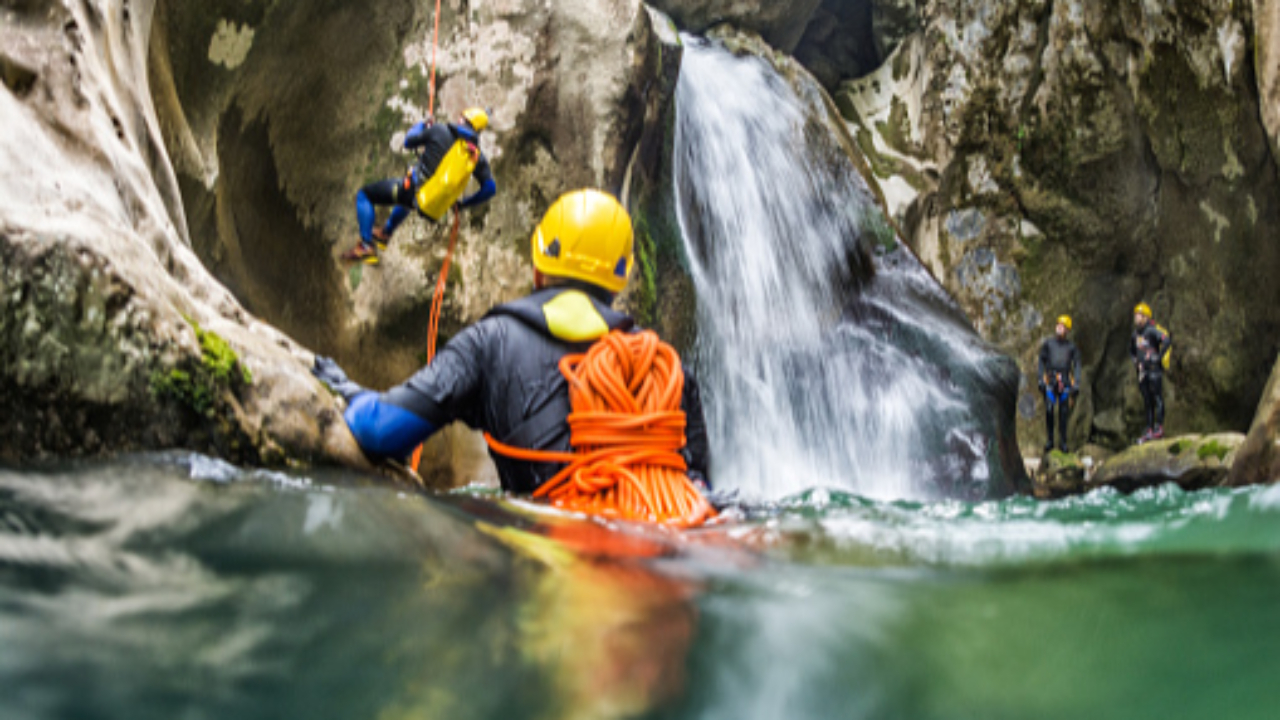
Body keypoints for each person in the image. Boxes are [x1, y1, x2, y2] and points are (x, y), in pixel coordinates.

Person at [315, 189, 711, 494]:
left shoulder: (490, 343)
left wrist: (348, 390)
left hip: (544, 557)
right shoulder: (666, 367)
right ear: (620, 279)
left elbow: (382, 431)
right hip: (660, 557)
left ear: (538, 266)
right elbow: (698, 489)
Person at [341, 107, 498, 264]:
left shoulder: (439, 130)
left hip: (412, 190)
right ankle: (385, 233)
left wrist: (423, 124)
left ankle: (366, 246)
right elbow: (490, 189)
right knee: (407, 201)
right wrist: (463, 205)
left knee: (365, 195)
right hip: (429, 202)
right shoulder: (475, 156)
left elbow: (408, 141)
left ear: (463, 120)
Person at [1038, 315, 1081, 453]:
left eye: (1062, 326)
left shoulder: (1071, 347)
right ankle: (1050, 440)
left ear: (1067, 330)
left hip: (1065, 382)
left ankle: (1063, 441)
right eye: (1058, 325)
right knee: (1049, 410)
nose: (1059, 327)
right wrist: (1040, 379)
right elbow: (1041, 360)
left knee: (1063, 413)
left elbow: (1077, 365)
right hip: (1051, 380)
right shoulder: (1048, 344)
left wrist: (1077, 383)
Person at [1130, 302, 1171, 444]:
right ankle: (1149, 428)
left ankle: (1159, 427)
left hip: (1154, 370)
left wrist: (1158, 357)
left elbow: (1166, 340)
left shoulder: (1151, 331)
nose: (1136, 317)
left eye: (1139, 315)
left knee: (1157, 398)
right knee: (1147, 401)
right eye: (1136, 315)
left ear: (1146, 317)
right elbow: (1132, 351)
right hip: (1143, 372)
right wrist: (1136, 362)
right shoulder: (1135, 334)